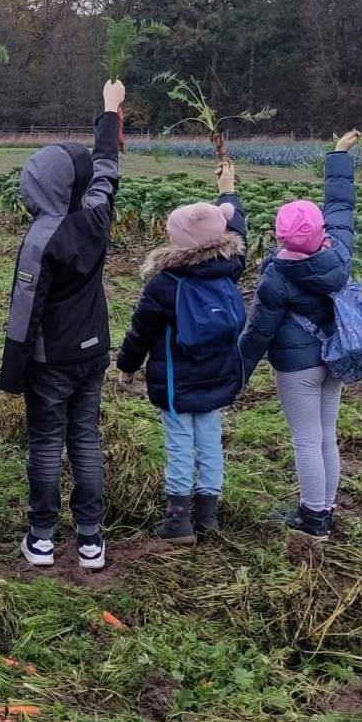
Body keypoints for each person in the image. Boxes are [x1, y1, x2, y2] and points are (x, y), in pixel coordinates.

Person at [0, 80, 125, 571]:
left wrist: (12, 374)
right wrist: (109, 111)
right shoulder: (95, 216)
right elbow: (107, 171)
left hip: (50, 360)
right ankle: (91, 541)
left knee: (47, 443)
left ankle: (43, 537)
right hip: (93, 353)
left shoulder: (40, 239)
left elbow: (23, 314)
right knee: (86, 439)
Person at [237, 132, 360, 541]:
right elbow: (341, 203)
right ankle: (324, 508)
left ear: (280, 236)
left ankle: (312, 521)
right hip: (336, 356)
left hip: (298, 367)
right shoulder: (339, 249)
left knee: (306, 439)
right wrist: (339, 156)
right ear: (320, 230)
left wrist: (232, 374)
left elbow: (259, 332)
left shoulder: (276, 275)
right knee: (327, 436)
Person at [115, 162, 246, 543]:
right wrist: (228, 191)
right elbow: (238, 230)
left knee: (179, 446)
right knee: (209, 440)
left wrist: (126, 367)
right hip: (218, 377)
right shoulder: (229, 266)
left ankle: (178, 520)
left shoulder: (165, 283)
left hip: (176, 384)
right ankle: (208, 516)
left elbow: (140, 332)